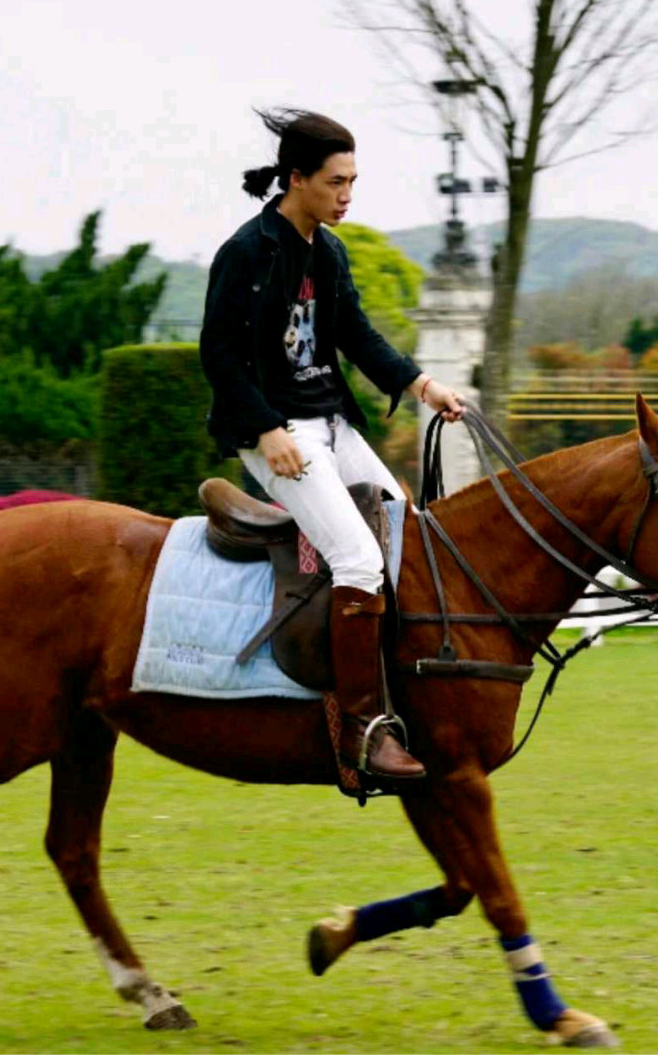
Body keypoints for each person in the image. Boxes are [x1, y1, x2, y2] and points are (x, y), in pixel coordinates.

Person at [199, 108, 466, 783]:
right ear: (297, 179)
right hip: (277, 435)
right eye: (336, 181)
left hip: (333, 425)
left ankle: (403, 689)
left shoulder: (330, 251)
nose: (348, 194)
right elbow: (219, 355)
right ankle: (362, 729)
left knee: (405, 530)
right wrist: (266, 431)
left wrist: (421, 384)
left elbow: (357, 336)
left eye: (353, 180)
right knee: (356, 558)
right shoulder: (246, 252)